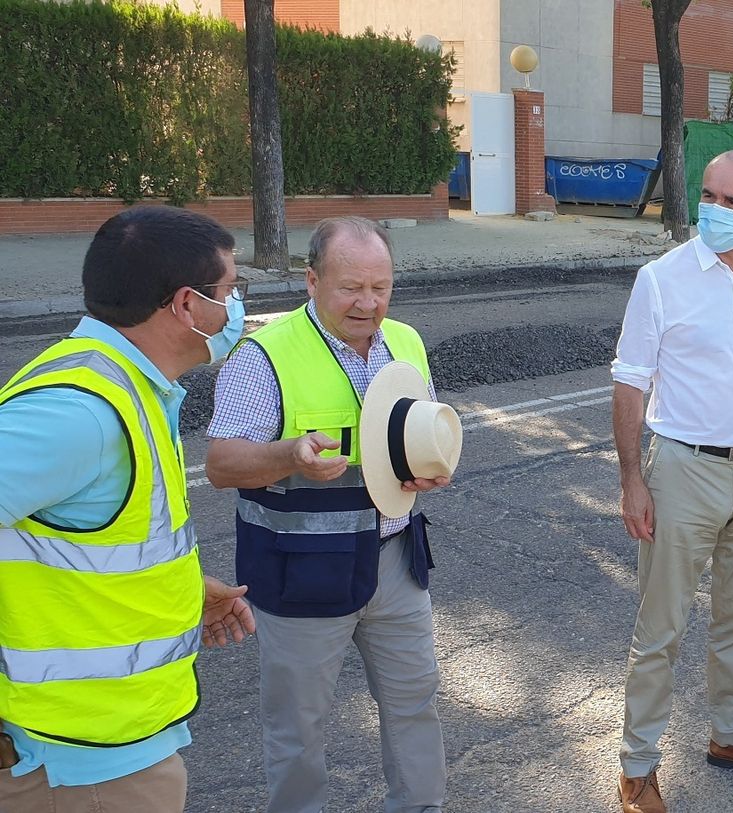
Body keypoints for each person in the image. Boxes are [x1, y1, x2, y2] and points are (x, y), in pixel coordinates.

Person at [0, 207, 255, 811]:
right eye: (229, 291)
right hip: (75, 767)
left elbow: (86, 545)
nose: (236, 309)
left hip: (102, 751)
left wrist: (181, 592)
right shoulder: (82, 413)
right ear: (188, 305)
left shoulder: (128, 387)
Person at [205, 216, 451, 813]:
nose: (369, 304)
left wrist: (429, 468)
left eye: (381, 287)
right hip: (300, 573)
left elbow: (418, 435)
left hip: (395, 560)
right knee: (298, 729)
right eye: (351, 288)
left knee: (416, 704)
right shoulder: (264, 355)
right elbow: (221, 464)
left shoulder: (406, 342)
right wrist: (289, 455)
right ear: (311, 281)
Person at [611, 149, 733, 813]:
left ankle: (731, 736)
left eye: (732, 202)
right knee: (660, 629)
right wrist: (633, 481)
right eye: (709, 195)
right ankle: (637, 767)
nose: (714, 211)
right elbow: (630, 381)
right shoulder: (661, 279)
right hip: (682, 471)